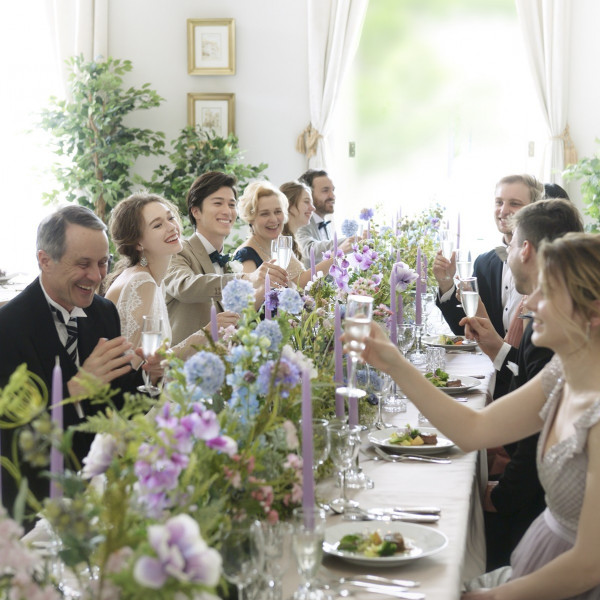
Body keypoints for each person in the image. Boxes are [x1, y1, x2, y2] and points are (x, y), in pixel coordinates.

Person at [346, 232, 600, 599]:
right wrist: (394, 363)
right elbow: (473, 429)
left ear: (592, 314)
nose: (530, 303)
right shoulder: (562, 372)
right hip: (540, 559)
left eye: (548, 292)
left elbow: (589, 564)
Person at [461, 199, 584, 570]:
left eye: (511, 241)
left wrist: (501, 495)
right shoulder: (560, 364)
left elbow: (531, 444)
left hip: (534, 514)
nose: (528, 305)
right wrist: (498, 350)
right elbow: (478, 425)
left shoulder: (554, 343)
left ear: (525, 248)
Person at [0, 205, 141, 514]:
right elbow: (12, 436)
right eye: (83, 264)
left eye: (103, 262)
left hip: (103, 493)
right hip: (37, 505)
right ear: (44, 260)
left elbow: (117, 401)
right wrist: (73, 391)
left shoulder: (104, 312)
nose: (97, 276)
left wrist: (148, 377)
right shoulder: (8, 327)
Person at [434, 174, 544, 399]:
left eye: (514, 203)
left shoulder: (545, 270)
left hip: (524, 387)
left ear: (533, 210)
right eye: (499, 202)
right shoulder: (485, 262)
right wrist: (446, 284)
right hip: (494, 378)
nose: (503, 210)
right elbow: (468, 330)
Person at [164, 172, 287, 345]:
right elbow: (185, 287)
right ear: (196, 211)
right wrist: (246, 278)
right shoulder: (178, 251)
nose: (227, 211)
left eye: (231, 204)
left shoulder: (229, 262)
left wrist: (265, 288)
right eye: (218, 203)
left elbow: (235, 319)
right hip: (184, 364)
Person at [104, 193, 217, 361]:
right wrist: (206, 334)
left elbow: (154, 359)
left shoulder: (152, 279)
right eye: (157, 225)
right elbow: (136, 365)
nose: (171, 227)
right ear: (138, 243)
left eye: (170, 218)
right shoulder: (142, 282)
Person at [233, 180, 334, 288]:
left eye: (277, 212)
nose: (273, 219)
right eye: (265, 214)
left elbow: (298, 282)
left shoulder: (279, 242)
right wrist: (335, 256)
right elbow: (250, 302)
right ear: (251, 218)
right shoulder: (246, 255)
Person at [295, 169, 356, 264]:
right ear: (308, 195)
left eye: (333, 190)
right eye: (325, 190)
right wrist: (350, 241)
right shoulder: (300, 221)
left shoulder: (325, 223)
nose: (332, 196)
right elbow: (308, 249)